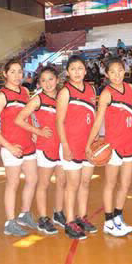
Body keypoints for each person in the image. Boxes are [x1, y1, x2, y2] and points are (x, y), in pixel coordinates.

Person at [86, 57, 132, 237]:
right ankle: (108, 222)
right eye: (112, 72)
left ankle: (118, 217)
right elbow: (98, 119)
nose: (117, 75)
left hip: (130, 143)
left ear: (125, 71)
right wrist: (89, 143)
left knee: (125, 184)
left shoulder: (131, 88)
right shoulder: (107, 94)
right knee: (110, 183)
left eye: (120, 71)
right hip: (113, 145)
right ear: (106, 74)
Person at [0, 59, 38, 237]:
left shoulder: (25, 91)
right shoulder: (1, 96)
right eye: (13, 72)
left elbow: (28, 114)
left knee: (32, 180)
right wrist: (9, 147)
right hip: (12, 147)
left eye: (20, 71)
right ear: (5, 74)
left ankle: (24, 214)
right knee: (13, 183)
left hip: (28, 144)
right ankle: (10, 222)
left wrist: (33, 132)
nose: (17, 76)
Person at [15, 66, 66, 234]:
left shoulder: (63, 96)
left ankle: (58, 213)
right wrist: (38, 132)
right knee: (43, 183)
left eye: (51, 79)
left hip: (62, 146)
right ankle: (43, 218)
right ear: (39, 83)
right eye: (43, 80)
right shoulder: (38, 99)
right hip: (46, 146)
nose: (48, 83)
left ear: (57, 80)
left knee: (61, 181)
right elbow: (20, 119)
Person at [56, 55, 97, 240]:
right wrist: (65, 146)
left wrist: (95, 141)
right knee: (72, 184)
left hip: (87, 145)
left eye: (80, 68)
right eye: (73, 69)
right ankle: (70, 221)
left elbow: (93, 117)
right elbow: (59, 121)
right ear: (67, 72)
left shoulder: (91, 89)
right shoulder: (65, 92)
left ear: (85, 70)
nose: (77, 72)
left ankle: (82, 217)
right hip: (71, 144)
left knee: (85, 182)